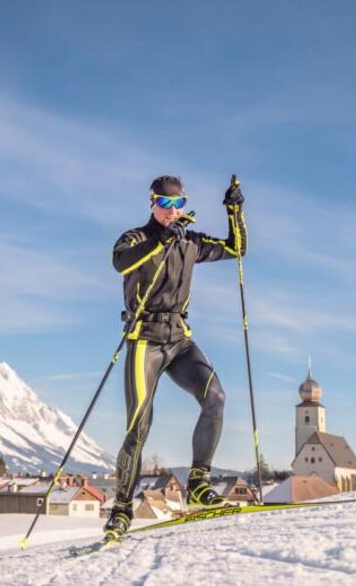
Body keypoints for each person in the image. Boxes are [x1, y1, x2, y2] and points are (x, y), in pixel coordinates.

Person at [103, 175, 246, 541]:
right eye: (165, 205)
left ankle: (199, 483)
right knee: (139, 426)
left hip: (179, 341)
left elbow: (237, 248)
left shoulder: (191, 241)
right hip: (144, 342)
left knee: (215, 397)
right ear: (152, 204)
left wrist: (234, 210)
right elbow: (120, 262)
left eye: (178, 204)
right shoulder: (137, 237)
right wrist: (162, 239)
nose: (172, 211)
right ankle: (121, 510)